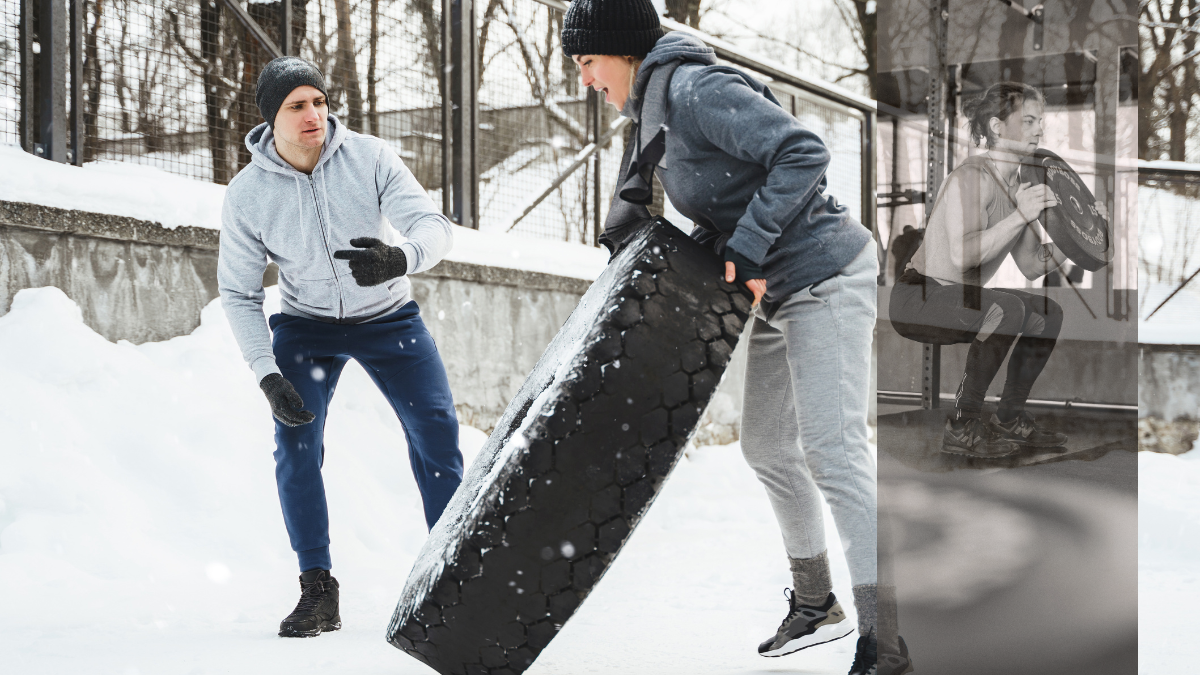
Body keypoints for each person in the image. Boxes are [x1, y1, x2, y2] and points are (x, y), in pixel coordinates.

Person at [561, 2, 888, 673]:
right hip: (777, 288)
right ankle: (816, 600)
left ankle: (892, 629)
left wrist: (748, 243)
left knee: (834, 451)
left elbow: (803, 152)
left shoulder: (693, 90)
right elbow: (730, 196)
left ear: (621, 51)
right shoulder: (655, 115)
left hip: (826, 272)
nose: (586, 79)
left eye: (587, 62)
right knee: (768, 445)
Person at [218, 56, 464, 638]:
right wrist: (266, 373)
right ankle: (317, 589)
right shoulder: (248, 194)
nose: (315, 116)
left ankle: (459, 573)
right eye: (297, 106)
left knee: (436, 430)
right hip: (306, 327)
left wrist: (398, 257)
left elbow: (434, 225)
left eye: (320, 102)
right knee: (295, 442)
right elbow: (237, 292)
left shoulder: (370, 157)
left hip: (388, 317)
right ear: (270, 119)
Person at [888, 81, 1095, 457]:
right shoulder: (973, 178)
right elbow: (962, 255)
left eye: (1040, 121)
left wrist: (1081, 235)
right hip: (917, 297)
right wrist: (1020, 216)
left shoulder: (1016, 186)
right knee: (1006, 308)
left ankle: (1010, 417)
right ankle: (964, 424)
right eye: (1028, 120)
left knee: (1048, 311)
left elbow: (1033, 265)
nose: (1039, 129)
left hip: (959, 300)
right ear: (998, 127)